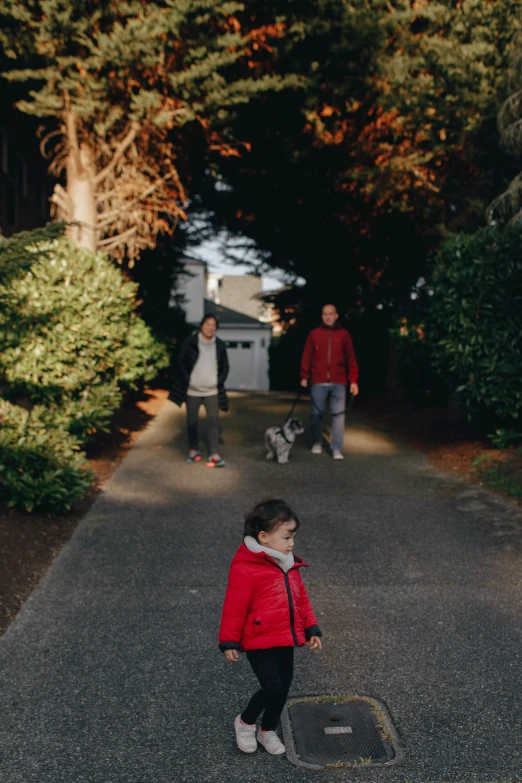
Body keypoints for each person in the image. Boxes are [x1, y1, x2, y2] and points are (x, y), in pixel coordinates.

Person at [219, 498, 323, 756]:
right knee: (272, 686)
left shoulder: (289, 565)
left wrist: (311, 627)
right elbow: (234, 607)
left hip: (285, 637)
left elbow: (301, 599)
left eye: (293, 537)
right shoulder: (246, 567)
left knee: (284, 686)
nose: (292, 543)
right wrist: (229, 641)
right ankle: (246, 722)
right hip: (258, 639)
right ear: (264, 537)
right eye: (287, 537)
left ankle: (267, 730)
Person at [168, 314, 229, 467]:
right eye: (208, 324)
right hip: (192, 390)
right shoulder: (190, 342)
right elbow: (180, 362)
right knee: (192, 422)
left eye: (213, 325)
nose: (210, 328)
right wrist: (188, 380)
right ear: (202, 326)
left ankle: (214, 453)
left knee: (213, 421)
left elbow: (225, 367)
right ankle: (194, 450)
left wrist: (218, 381)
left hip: (212, 391)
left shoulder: (220, 345)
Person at [300, 304, 359, 460]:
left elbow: (351, 358)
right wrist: (304, 376)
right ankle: (317, 442)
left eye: (331, 314)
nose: (328, 316)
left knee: (338, 415)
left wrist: (353, 380)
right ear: (322, 316)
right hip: (317, 381)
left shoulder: (344, 335)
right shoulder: (314, 334)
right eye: (325, 314)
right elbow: (307, 356)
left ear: (336, 316)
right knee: (315, 414)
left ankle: (336, 448)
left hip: (339, 381)